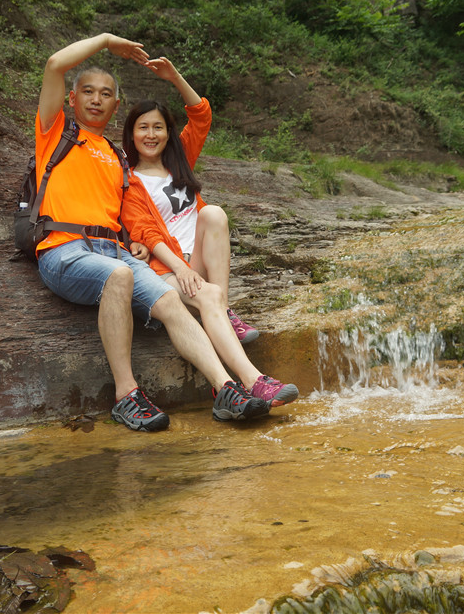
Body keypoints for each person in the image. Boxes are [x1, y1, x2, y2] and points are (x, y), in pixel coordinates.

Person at [33, 33, 270, 432]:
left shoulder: (117, 158)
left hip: (115, 251)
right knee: (120, 275)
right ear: (72, 100)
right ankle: (127, 395)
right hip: (63, 249)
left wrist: (136, 243)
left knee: (172, 300)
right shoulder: (56, 133)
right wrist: (107, 41)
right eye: (87, 92)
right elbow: (56, 63)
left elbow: (133, 213)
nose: (96, 98)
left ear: (116, 104)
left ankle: (226, 389)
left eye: (106, 93)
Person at [120, 57, 298, 408]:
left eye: (158, 127)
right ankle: (254, 382)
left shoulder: (179, 161)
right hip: (166, 270)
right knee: (207, 295)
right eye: (143, 127)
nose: (151, 135)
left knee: (213, 213)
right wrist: (182, 269)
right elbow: (147, 233)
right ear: (131, 133)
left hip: (196, 262)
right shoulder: (127, 180)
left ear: (168, 133)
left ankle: (226, 312)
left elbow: (201, 114)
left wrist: (174, 77)